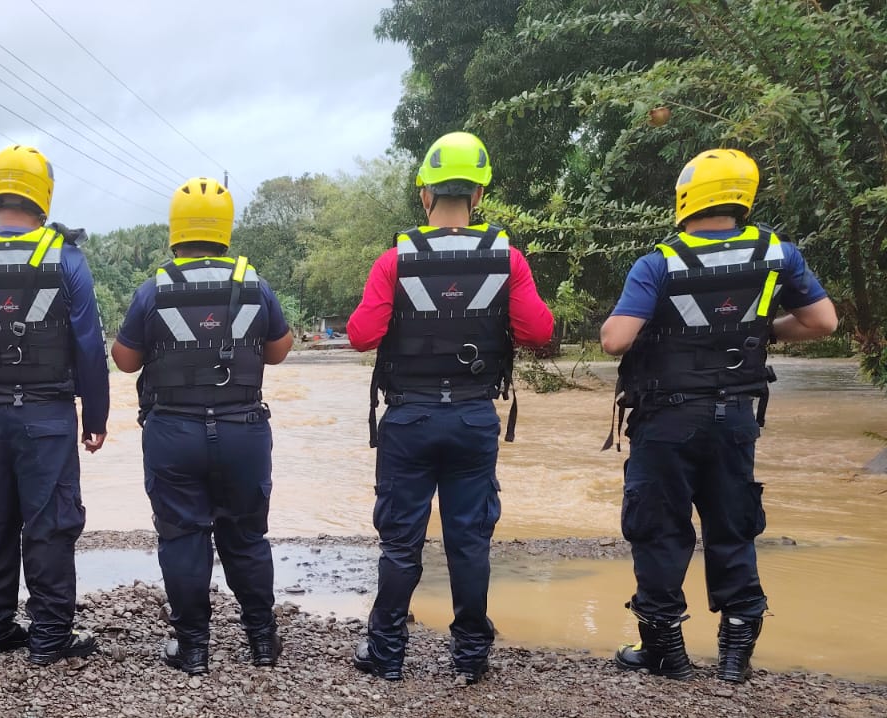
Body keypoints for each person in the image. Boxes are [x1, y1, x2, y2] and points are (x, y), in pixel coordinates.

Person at [600, 148, 837, 682]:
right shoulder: (778, 254)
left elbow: (616, 340)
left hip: (666, 421)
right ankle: (734, 660)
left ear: (687, 198)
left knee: (660, 530)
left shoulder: (660, 261)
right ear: (742, 197)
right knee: (733, 528)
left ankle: (665, 652)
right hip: (735, 417)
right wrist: (764, 330)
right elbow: (823, 322)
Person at [346, 131, 554, 682]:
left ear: (425, 195)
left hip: (410, 419)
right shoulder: (508, 260)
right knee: (468, 539)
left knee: (400, 541)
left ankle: (387, 656)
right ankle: (469, 658)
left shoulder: (395, 261)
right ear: (479, 194)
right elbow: (539, 331)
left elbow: (362, 335)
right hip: (471, 418)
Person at [0, 144, 110, 665]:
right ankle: (49, 638)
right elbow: (90, 350)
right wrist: (95, 418)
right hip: (48, 417)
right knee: (50, 523)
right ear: (43, 195)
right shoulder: (67, 260)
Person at [110, 178, 294, 674]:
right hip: (243, 430)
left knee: (183, 537)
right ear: (225, 229)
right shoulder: (255, 284)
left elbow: (125, 361)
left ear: (175, 228)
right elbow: (278, 351)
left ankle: (193, 649)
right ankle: (261, 643)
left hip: (174, 433)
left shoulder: (154, 289)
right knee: (247, 537)